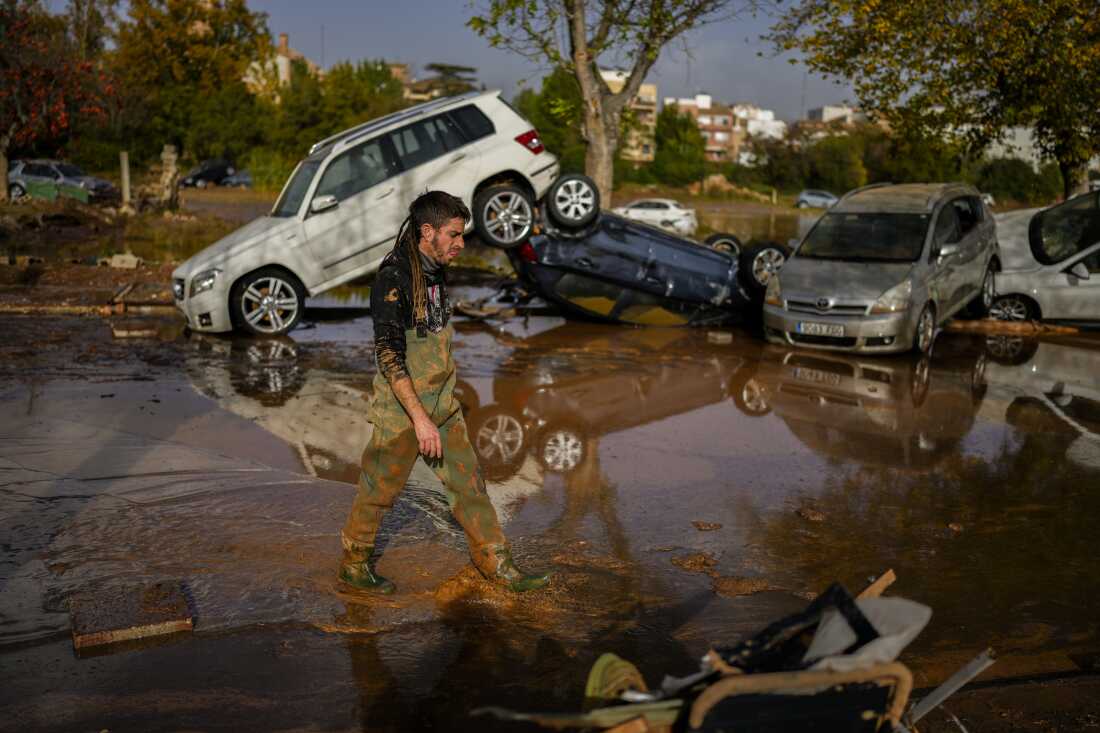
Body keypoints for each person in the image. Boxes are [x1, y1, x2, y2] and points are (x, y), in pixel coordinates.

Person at [339, 190, 550, 594]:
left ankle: (496, 563)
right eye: (454, 234)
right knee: (378, 492)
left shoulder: (435, 270)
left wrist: (442, 408)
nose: (461, 243)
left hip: (443, 405)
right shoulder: (393, 277)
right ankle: (354, 564)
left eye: (463, 234)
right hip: (402, 411)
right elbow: (389, 355)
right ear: (427, 231)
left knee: (469, 485)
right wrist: (420, 420)